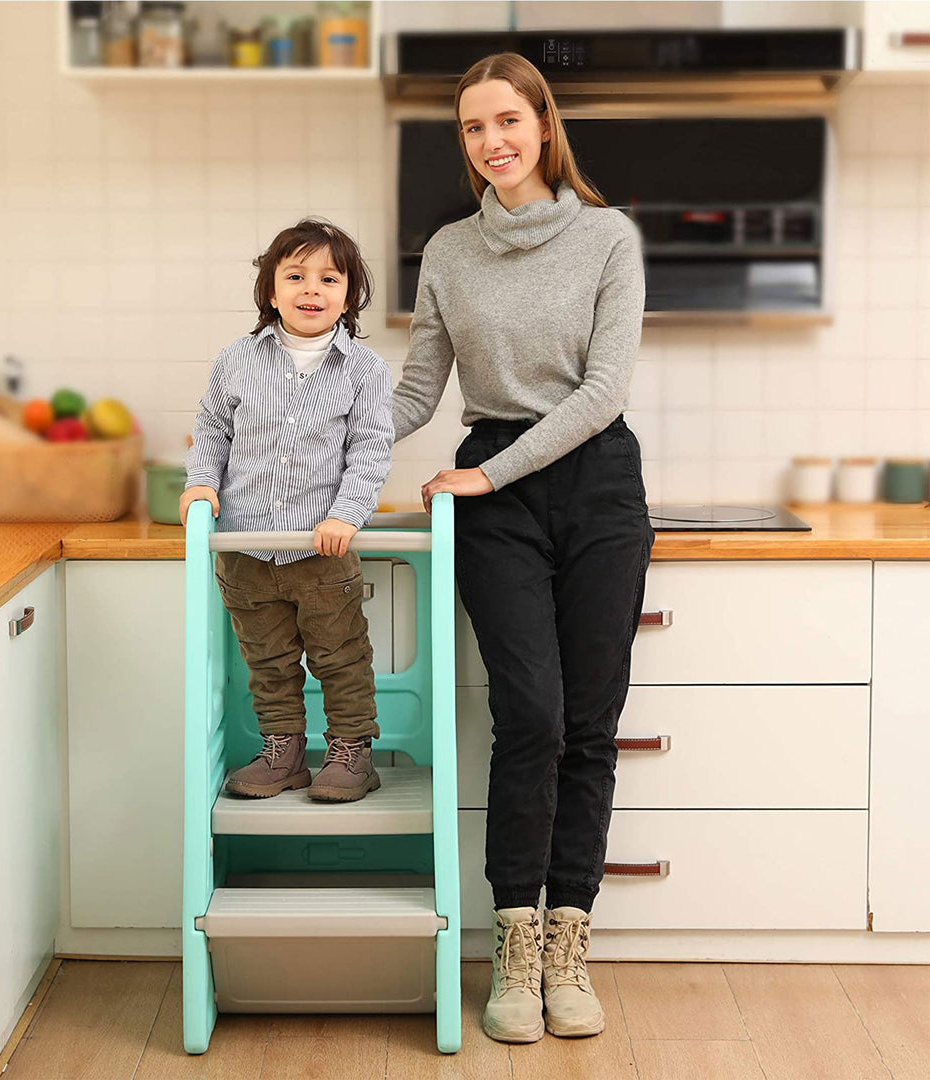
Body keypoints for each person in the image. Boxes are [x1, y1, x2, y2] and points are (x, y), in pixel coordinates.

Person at [392, 54, 653, 1043]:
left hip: (593, 483)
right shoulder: (450, 251)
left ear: (543, 125)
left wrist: (489, 474)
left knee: (589, 723)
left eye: (507, 119)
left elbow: (602, 394)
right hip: (494, 492)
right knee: (530, 716)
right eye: (472, 128)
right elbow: (418, 392)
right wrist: (304, 407)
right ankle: (512, 944)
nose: (492, 140)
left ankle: (567, 943)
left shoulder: (607, 238)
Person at [181, 219, 394, 803]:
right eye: (295, 275)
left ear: (349, 295)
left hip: (321, 551)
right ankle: (285, 752)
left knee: (340, 657)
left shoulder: (364, 371)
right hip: (245, 548)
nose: (311, 289)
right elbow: (213, 430)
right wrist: (200, 486)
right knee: (268, 662)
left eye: (329, 278)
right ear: (271, 291)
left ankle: (352, 753)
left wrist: (347, 515)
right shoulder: (236, 360)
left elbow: (371, 449)